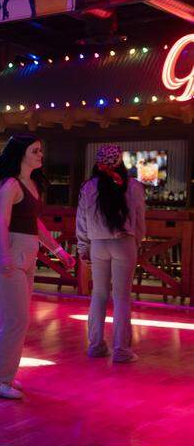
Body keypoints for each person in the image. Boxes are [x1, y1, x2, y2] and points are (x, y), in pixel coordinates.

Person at [0, 135, 75, 399]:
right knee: (15, 320)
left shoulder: (30, 185)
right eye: (35, 150)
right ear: (21, 154)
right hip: (7, 254)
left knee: (7, 319)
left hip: (24, 255)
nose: (41, 155)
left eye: (41, 150)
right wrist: (5, 255)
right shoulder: (9, 185)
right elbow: (1, 222)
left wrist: (59, 250)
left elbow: (35, 224)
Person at [76, 145, 146, 363]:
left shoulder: (88, 187)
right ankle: (121, 350)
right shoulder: (134, 186)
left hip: (97, 244)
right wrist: (137, 241)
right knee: (122, 297)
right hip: (124, 243)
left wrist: (82, 247)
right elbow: (139, 220)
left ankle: (96, 346)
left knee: (99, 294)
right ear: (120, 161)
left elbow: (81, 220)